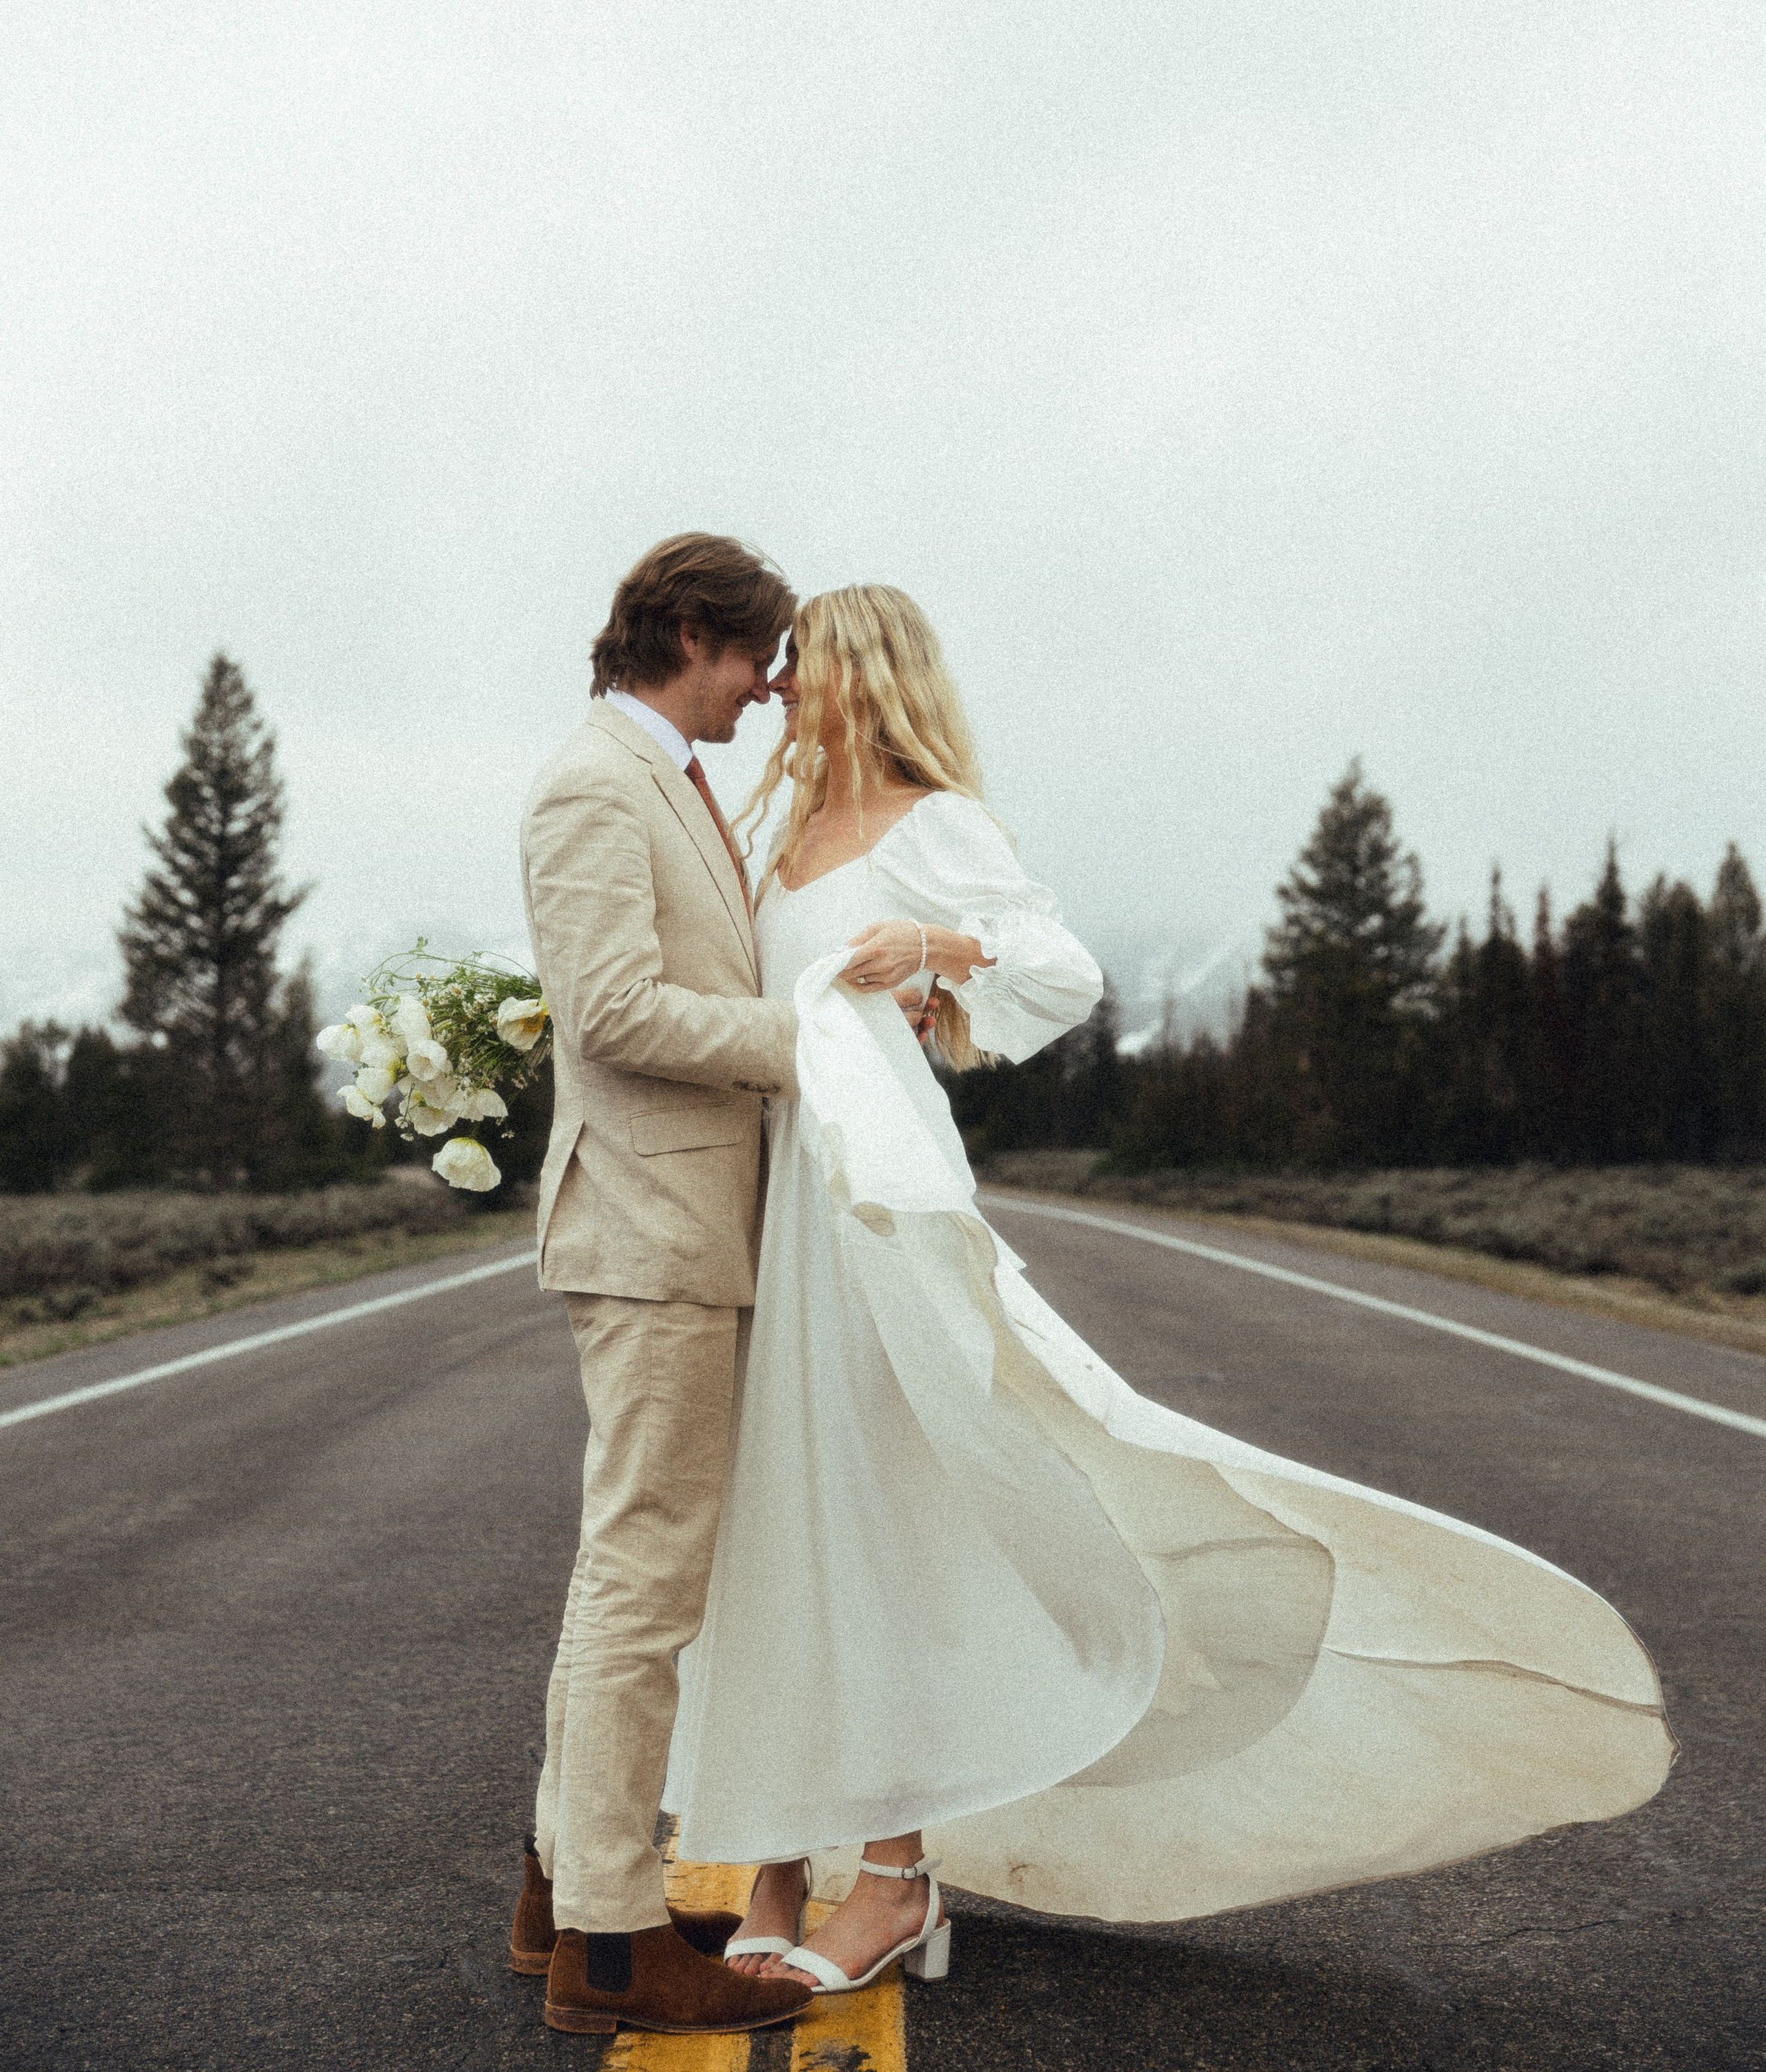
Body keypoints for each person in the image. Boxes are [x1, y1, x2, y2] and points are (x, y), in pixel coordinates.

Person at [657, 584, 1674, 1999]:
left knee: (883, 1517)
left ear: (862, 672)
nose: (775, 690)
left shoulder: (932, 824)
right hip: (778, 1200)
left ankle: (891, 1876)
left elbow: (1060, 972)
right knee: (774, 1525)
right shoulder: (777, 831)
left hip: (874, 1209)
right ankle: (774, 1863)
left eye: (797, 665)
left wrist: (935, 953)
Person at [508, 532, 818, 2040]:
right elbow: (615, 1012)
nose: (767, 689)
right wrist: (810, 1044)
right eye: (757, 656)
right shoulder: (594, 783)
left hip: (679, 1225)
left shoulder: (664, 778)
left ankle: (562, 1893)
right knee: (642, 1584)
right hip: (652, 1230)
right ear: (690, 633)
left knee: (628, 1573)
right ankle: (615, 1947)